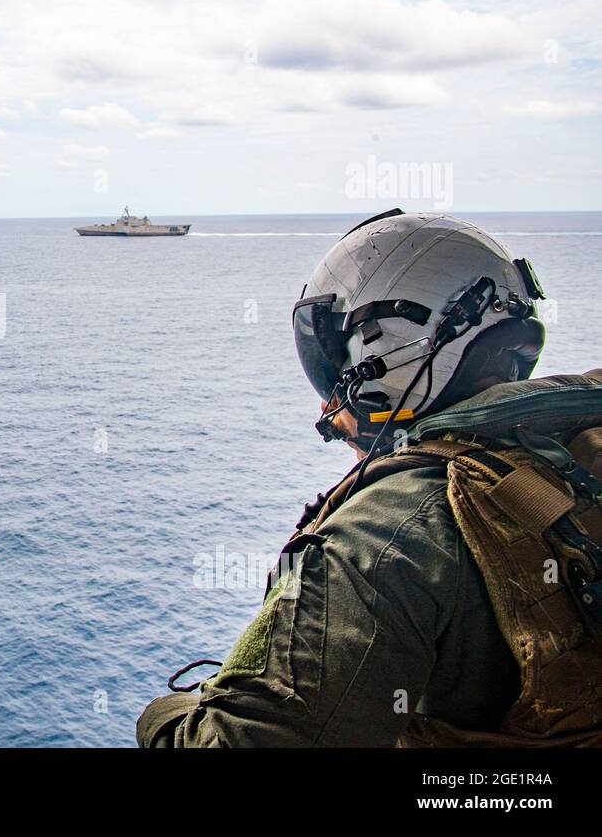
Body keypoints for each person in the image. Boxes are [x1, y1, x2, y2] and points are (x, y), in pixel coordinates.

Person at [138, 208, 602, 747]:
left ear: (384, 351)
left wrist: (165, 715)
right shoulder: (575, 444)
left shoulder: (383, 538)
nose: (331, 397)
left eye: (336, 362)